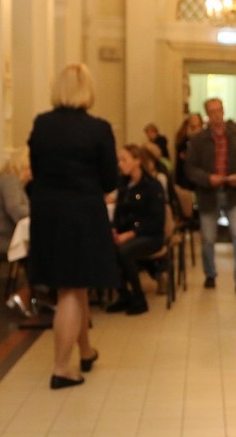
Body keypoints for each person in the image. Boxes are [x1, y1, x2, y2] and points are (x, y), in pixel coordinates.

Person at [27, 62, 117, 388]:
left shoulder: (42, 124)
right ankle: (61, 368)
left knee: (77, 285)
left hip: (47, 213)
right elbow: (110, 180)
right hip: (82, 214)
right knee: (71, 286)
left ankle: (86, 350)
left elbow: (36, 168)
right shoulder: (98, 129)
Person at [184, 96, 236, 293]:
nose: (216, 115)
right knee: (208, 238)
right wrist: (208, 178)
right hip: (209, 194)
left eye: (219, 110)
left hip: (234, 193)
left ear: (223, 111)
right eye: (212, 111)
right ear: (207, 114)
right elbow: (190, 168)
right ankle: (210, 274)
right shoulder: (198, 139)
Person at [107, 144, 167, 315]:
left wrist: (131, 234)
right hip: (128, 234)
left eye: (124, 160)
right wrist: (115, 230)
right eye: (119, 160)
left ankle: (139, 298)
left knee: (124, 251)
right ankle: (123, 295)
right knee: (107, 248)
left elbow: (156, 221)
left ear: (137, 161)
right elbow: (118, 214)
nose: (120, 164)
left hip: (150, 236)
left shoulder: (152, 185)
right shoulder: (124, 184)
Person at [0, 147, 38, 317]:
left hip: (6, 237)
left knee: (42, 250)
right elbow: (16, 210)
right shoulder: (9, 181)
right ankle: (27, 293)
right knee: (40, 252)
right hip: (0, 241)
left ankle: (37, 294)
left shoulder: (14, 183)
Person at [173, 113, 203, 187]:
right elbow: (181, 153)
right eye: (192, 119)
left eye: (195, 119)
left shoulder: (204, 137)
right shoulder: (184, 137)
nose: (193, 121)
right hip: (185, 177)